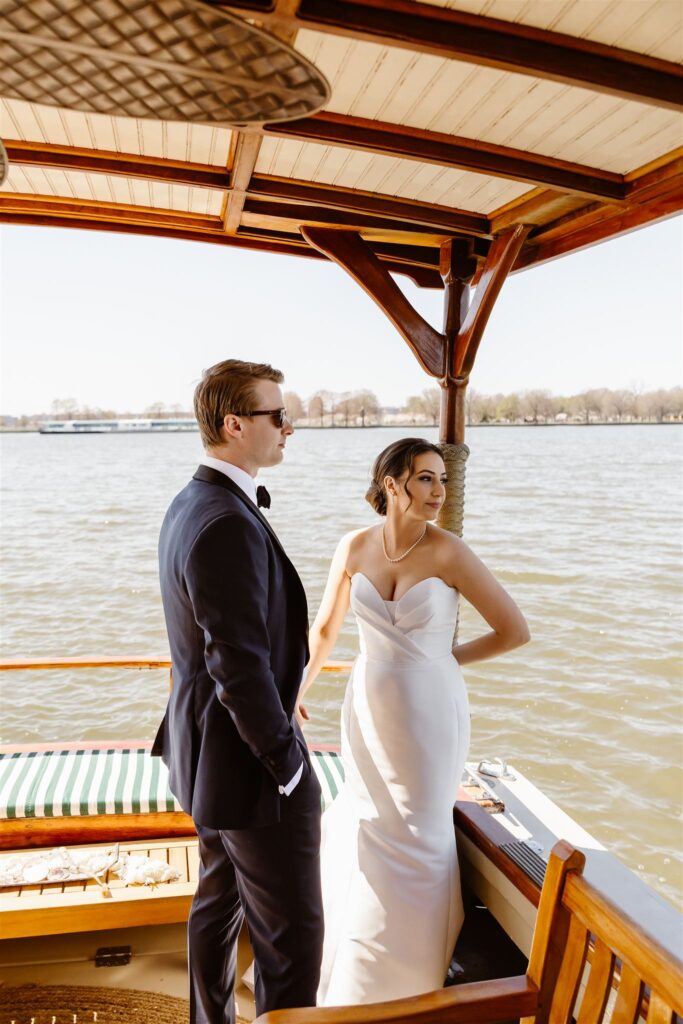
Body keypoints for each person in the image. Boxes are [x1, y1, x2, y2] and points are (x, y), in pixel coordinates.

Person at [297, 437, 530, 1006]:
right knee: (367, 819)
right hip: (367, 706)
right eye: (426, 478)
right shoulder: (354, 546)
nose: (439, 491)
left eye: (443, 480)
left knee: (420, 831)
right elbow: (324, 631)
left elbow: (513, 631)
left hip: (431, 712)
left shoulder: (450, 552)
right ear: (392, 484)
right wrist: (294, 691)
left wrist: (441, 661)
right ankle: (346, 962)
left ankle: (405, 981)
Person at [152, 359, 323, 1024]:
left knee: (216, 905)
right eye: (278, 415)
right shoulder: (223, 518)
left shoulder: (190, 502)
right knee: (291, 945)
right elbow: (236, 665)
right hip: (250, 771)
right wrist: (286, 764)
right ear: (234, 424)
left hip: (205, 759)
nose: (289, 428)